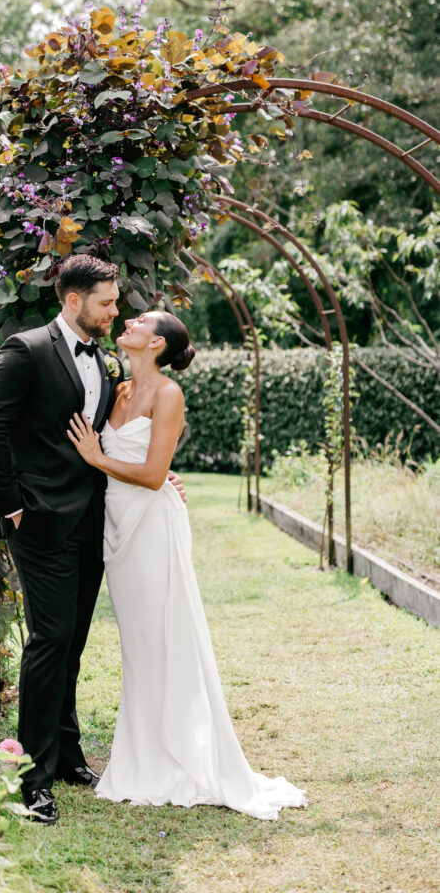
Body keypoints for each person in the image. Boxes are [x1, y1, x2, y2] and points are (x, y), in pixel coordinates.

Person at [0, 255, 186, 825]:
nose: (117, 311)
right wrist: (13, 507)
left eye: (117, 303)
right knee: (50, 640)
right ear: (74, 301)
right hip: (39, 523)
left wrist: (156, 472)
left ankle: (66, 756)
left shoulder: (108, 360)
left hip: (96, 519)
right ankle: (32, 777)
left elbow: (110, 437)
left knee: (73, 642)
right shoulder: (26, 350)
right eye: (108, 302)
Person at [67, 310, 308, 819]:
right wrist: (120, 464)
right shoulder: (119, 385)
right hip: (119, 529)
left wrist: (97, 458)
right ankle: (143, 752)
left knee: (164, 637)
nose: (126, 319)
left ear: (155, 343)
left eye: (137, 321)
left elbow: (153, 476)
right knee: (138, 644)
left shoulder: (168, 394)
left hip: (152, 528)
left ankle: (176, 755)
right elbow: (150, 460)